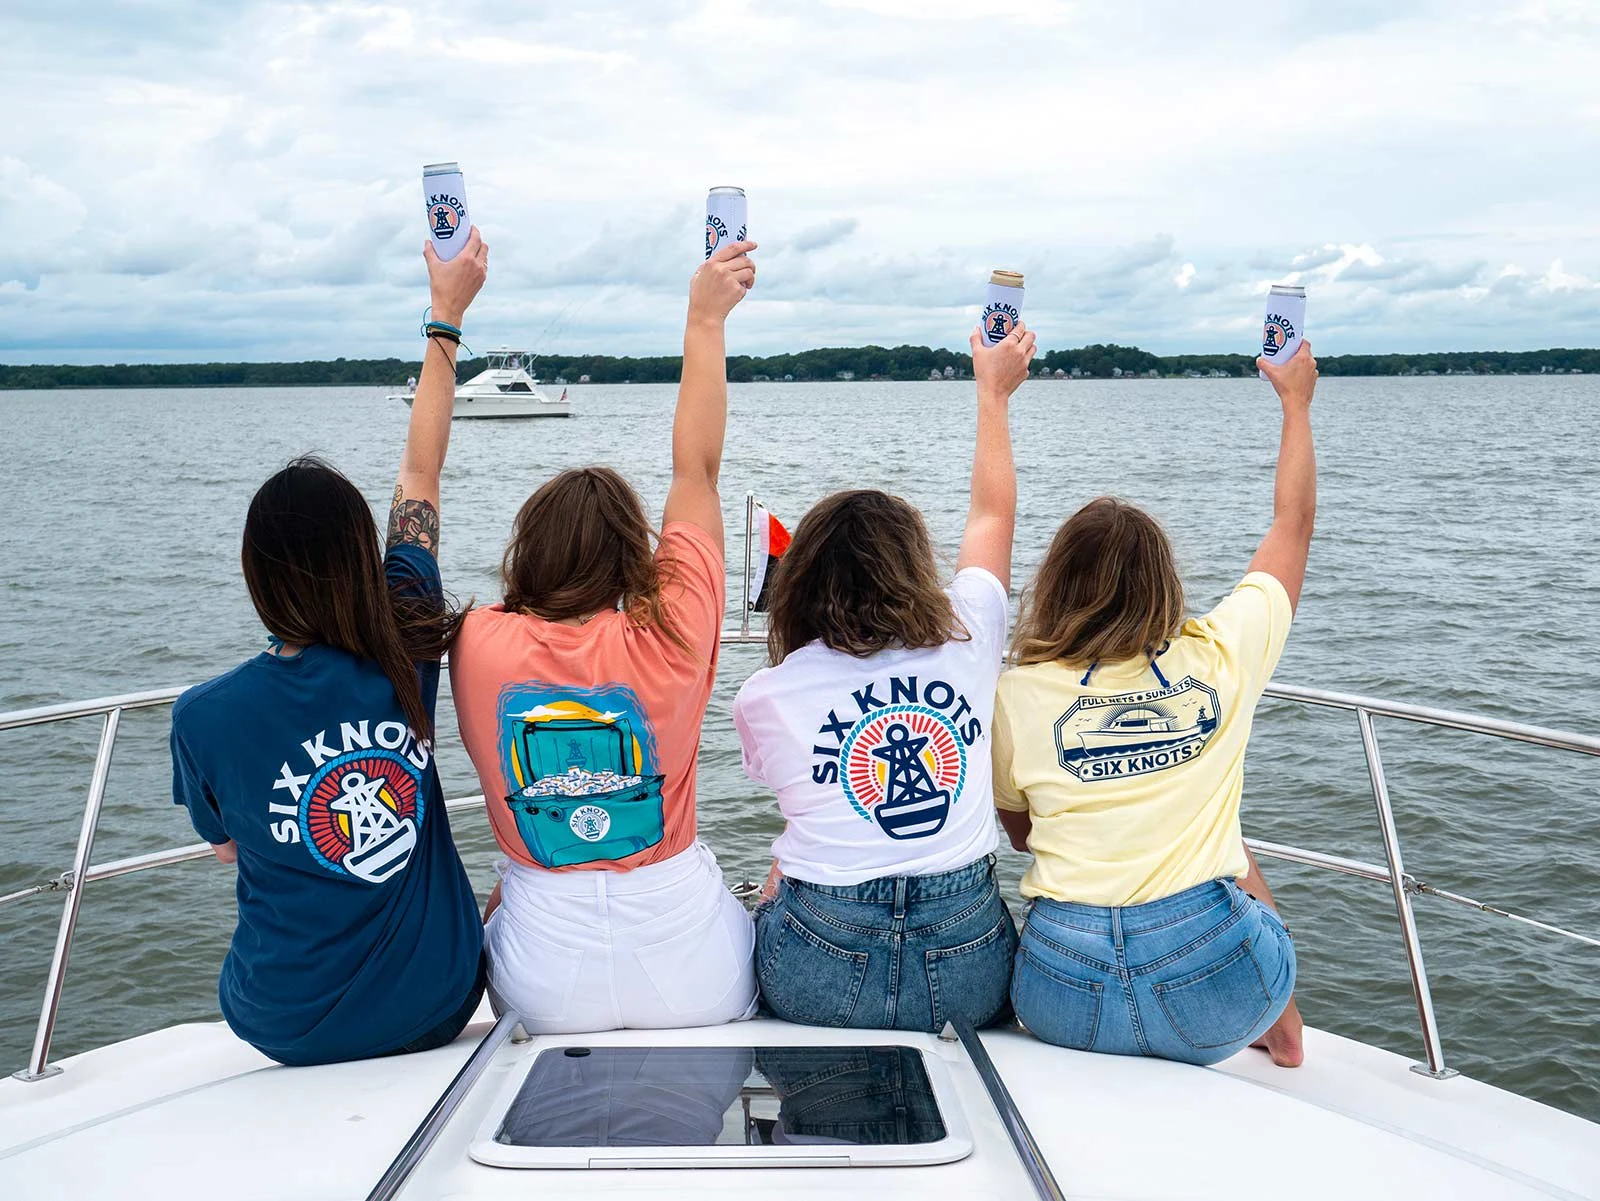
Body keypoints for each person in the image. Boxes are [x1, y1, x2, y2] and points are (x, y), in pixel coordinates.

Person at [169, 229, 491, 1066]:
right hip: (437, 1000)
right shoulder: (407, 634)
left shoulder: (201, 718)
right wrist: (444, 318)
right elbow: (420, 476)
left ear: (255, 576)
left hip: (283, 1020)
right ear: (362, 554)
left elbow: (233, 847)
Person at [450, 239, 759, 1033]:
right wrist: (704, 319)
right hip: (689, 960)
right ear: (633, 555)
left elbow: (417, 491)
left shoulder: (477, 643)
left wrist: (444, 316)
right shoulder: (675, 628)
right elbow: (697, 472)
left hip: (542, 975)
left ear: (530, 550)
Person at [991, 341, 1318, 1069]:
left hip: (1061, 992)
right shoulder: (1223, 652)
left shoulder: (1018, 692)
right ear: (1165, 583)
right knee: (1224, 841)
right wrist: (1295, 403)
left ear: (1057, 584)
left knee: (1208, 837)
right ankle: (1284, 1031)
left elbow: (1020, 832)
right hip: (1218, 986)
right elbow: (1291, 526)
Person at [732, 320, 1037, 1032]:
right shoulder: (971, 628)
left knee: (779, 876)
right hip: (968, 966)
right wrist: (993, 396)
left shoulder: (766, 694)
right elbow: (993, 511)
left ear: (800, 580)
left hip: (819, 965)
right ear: (912, 566)